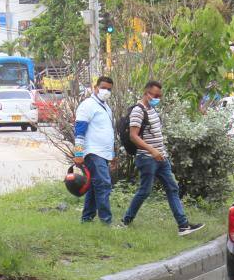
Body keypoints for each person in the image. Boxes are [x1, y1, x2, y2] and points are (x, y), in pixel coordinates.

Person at [121, 81, 204, 236]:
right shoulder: (138, 111)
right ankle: (126, 221)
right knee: (144, 191)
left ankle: (183, 226)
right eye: (155, 95)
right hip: (147, 158)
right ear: (146, 93)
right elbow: (133, 136)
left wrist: (160, 152)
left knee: (172, 188)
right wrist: (152, 150)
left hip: (161, 157)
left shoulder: (151, 109)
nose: (158, 98)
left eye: (160, 96)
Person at [73, 75, 116, 226]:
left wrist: (112, 154)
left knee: (94, 186)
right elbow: (79, 131)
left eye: (109, 89)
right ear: (95, 88)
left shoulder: (106, 107)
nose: (106, 91)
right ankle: (106, 221)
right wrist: (78, 153)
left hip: (104, 153)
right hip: (93, 152)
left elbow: (107, 132)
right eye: (103, 88)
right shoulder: (88, 105)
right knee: (104, 184)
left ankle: (87, 219)